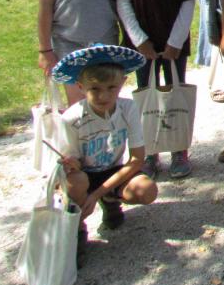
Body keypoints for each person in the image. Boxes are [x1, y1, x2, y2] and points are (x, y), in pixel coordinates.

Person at [107, 0, 207, 179]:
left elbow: (189, 1)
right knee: (146, 97)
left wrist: (175, 41)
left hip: (174, 43)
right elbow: (122, 1)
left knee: (175, 95)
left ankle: (178, 150)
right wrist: (139, 41)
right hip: (142, 46)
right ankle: (149, 153)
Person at [52, 45, 158, 266]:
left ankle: (109, 200)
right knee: (75, 182)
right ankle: (77, 230)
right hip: (84, 174)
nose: (104, 96)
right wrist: (71, 164)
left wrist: (98, 193)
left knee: (147, 190)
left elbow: (137, 159)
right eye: (95, 89)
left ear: (122, 83)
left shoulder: (128, 108)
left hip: (112, 170)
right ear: (80, 87)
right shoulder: (71, 118)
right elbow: (71, 164)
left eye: (111, 87)